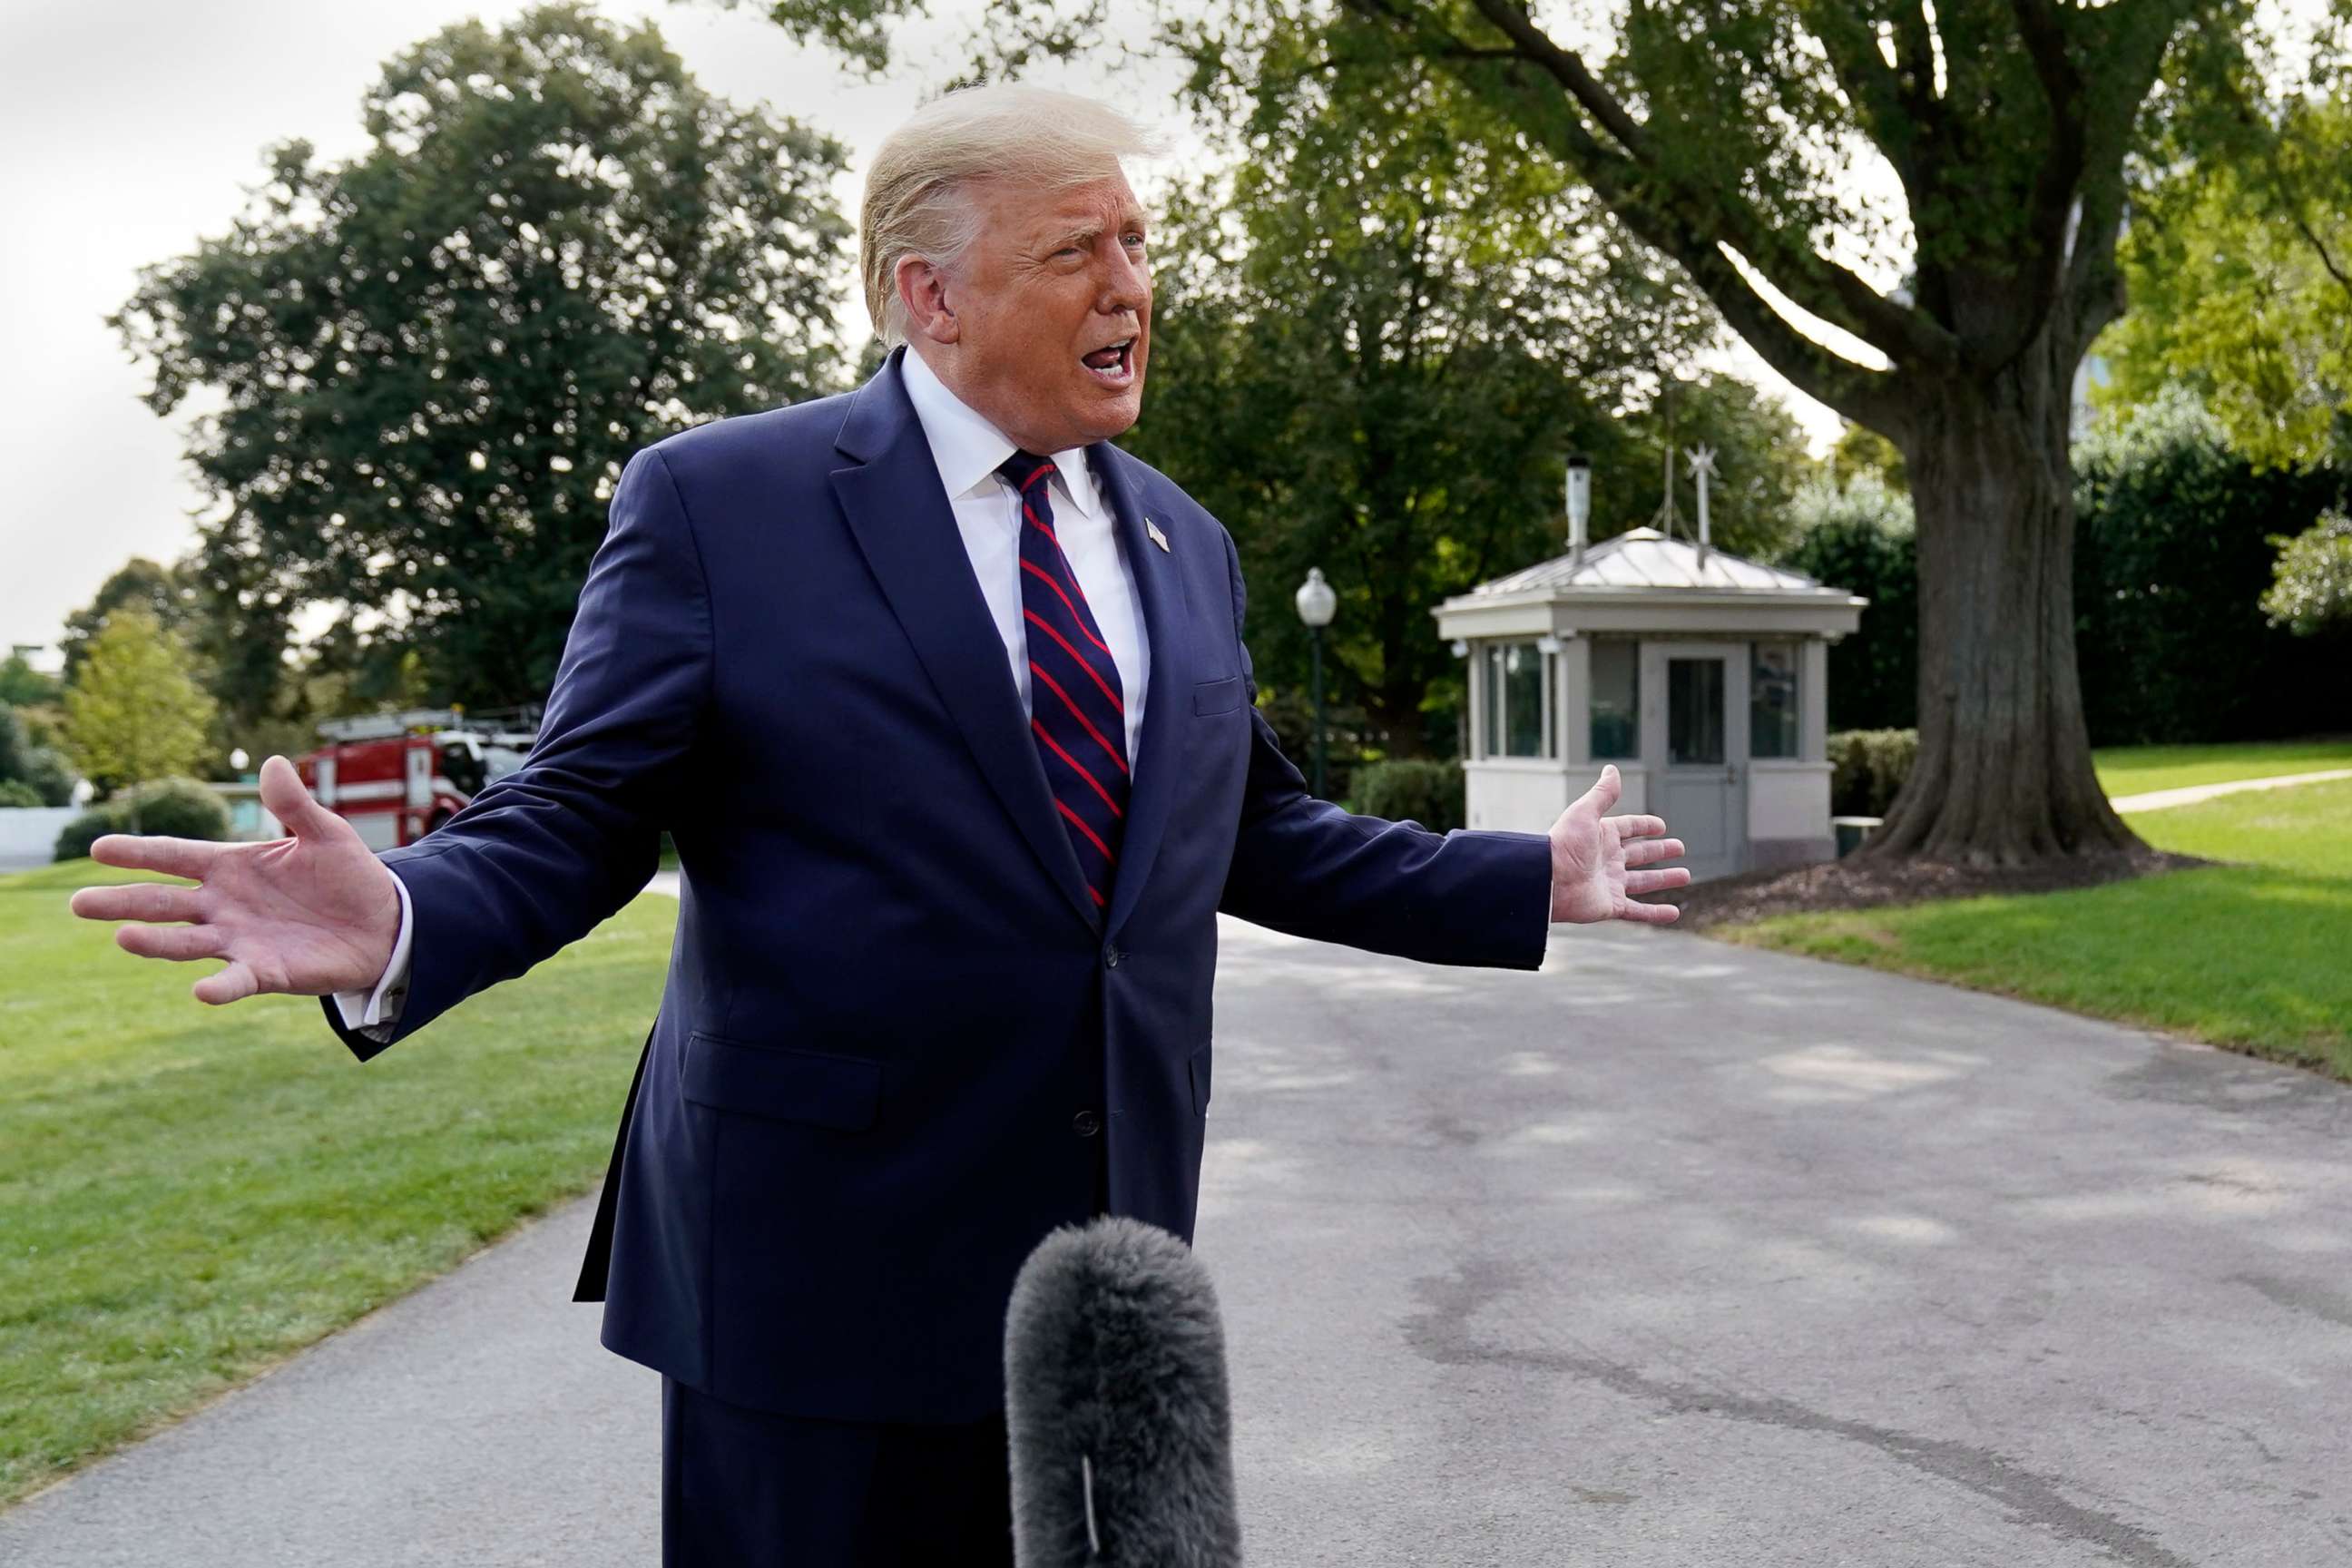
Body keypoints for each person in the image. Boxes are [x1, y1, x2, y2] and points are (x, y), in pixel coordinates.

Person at [73, 83, 1689, 1567]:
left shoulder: (1186, 543)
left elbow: (1256, 831)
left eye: (1136, 241)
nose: (1130, 284)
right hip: (813, 1277)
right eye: (1076, 249)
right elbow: (578, 812)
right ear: (930, 294)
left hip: (1100, 1280)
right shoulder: (721, 504)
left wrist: (1523, 878)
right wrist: (409, 916)